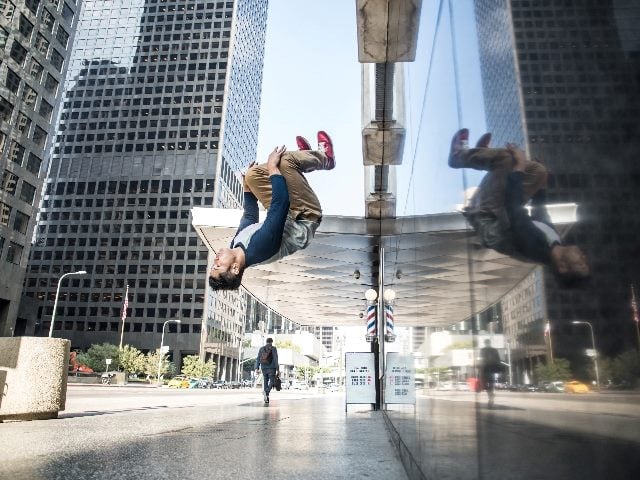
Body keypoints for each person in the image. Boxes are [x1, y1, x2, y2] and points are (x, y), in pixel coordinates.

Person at [448, 128, 589, 283]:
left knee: (507, 159)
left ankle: (458, 157)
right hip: (501, 213)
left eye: (580, 263)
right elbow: (540, 214)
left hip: (487, 216)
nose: (583, 257)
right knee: (539, 172)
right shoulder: (554, 243)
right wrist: (542, 185)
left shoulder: (535, 249)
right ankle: (483, 154)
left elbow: (513, 208)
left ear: (562, 267)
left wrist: (520, 167)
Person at [209, 131, 335, 290]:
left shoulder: (236, 245)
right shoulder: (259, 248)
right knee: (284, 162)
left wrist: (247, 189)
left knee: (251, 176)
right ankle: (325, 159)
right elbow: (281, 203)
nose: (216, 261)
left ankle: (305, 157)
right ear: (235, 268)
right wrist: (272, 167)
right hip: (304, 216)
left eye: (213, 266)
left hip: (288, 213)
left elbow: (249, 217)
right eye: (218, 266)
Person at [255, 337, 279, 404]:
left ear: (266, 342)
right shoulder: (273, 348)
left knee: (265, 381)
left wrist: (257, 367)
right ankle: (267, 392)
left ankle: (266, 398)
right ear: (272, 342)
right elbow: (275, 359)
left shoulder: (261, 349)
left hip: (264, 368)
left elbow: (258, 359)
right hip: (272, 368)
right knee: (272, 381)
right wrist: (277, 369)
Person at [479, 339, 501, 408]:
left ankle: (490, 395)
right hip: (492, 369)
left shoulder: (482, 350)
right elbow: (498, 360)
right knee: (490, 383)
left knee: (486, 383)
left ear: (485, 343)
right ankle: (491, 395)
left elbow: (481, 360)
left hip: (486, 369)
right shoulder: (494, 350)